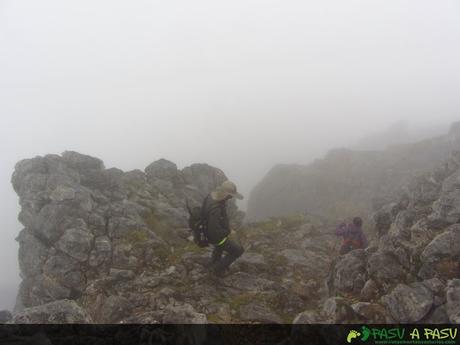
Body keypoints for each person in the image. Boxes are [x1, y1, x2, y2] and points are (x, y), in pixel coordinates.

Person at [202, 180, 245, 277]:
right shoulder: (216, 208)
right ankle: (216, 269)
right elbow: (214, 231)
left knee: (219, 246)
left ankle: (214, 263)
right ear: (225, 193)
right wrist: (228, 232)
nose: (231, 197)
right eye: (230, 195)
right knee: (237, 251)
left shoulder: (211, 197)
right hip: (215, 236)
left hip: (208, 232)